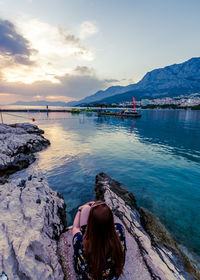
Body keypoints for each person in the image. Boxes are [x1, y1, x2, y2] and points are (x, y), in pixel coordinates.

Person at [72, 200, 126, 280]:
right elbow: (107, 223)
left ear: (90, 222)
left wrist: (80, 210)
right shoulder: (119, 229)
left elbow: (75, 227)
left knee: (86, 209)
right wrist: (100, 211)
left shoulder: (81, 242)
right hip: (112, 276)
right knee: (96, 214)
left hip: (88, 277)